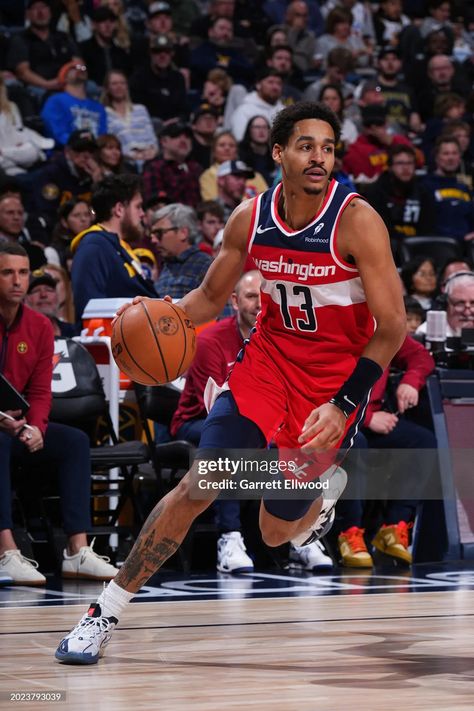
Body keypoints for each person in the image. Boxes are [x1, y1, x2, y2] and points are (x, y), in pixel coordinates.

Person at [55, 101, 406, 664]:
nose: (318, 157)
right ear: (278, 152)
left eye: (327, 147)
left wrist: (344, 405)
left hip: (330, 389)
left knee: (272, 533)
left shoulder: (357, 220)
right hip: (263, 369)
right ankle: (105, 611)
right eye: (305, 145)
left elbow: (392, 327)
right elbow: (207, 300)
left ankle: (318, 495)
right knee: (201, 483)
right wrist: (155, 318)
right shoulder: (251, 217)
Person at [171, 270, 333, 572]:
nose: (260, 303)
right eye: (250, 296)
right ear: (233, 301)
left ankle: (301, 535)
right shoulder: (210, 340)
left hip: (267, 421)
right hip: (199, 419)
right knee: (237, 444)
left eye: (265, 296)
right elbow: (221, 406)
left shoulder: (287, 341)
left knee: (308, 443)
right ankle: (229, 537)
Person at [0, 243, 118, 584]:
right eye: (8, 273)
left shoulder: (38, 326)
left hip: (18, 425)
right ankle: (6, 551)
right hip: (1, 430)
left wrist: (35, 427)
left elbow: (39, 391)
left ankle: (76, 552)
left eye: (23, 272)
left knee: (74, 442)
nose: (17, 281)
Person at [336, 334, 436, 567]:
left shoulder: (383, 325)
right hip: (338, 419)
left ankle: (393, 529)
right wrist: (367, 418)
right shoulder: (335, 326)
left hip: (372, 420)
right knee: (355, 442)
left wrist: (411, 380)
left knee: (421, 441)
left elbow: (420, 356)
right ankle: (350, 533)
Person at [70, 174, 158, 321]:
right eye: (138, 206)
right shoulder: (94, 246)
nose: (142, 214)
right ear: (119, 209)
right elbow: (90, 309)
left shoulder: (117, 247)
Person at [150, 203, 213, 298]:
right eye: (152, 234)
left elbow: (224, 309)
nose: (153, 240)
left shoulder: (207, 265)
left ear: (183, 233)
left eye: (159, 233)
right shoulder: (163, 266)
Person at [40, 61, 108, 146]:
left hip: (94, 153)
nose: (80, 69)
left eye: (83, 68)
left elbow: (103, 135)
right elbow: (55, 132)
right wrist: (77, 144)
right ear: (64, 77)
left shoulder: (98, 107)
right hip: (68, 151)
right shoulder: (55, 101)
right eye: (74, 68)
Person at [101, 70, 158, 166]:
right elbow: (107, 143)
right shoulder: (103, 113)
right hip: (123, 161)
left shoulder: (141, 109)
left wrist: (152, 151)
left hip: (149, 158)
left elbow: (152, 139)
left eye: (122, 83)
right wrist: (131, 155)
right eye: (114, 84)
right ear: (107, 88)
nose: (119, 86)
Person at [142, 121, 202, 207]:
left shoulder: (196, 168)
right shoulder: (154, 167)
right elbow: (155, 204)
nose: (183, 140)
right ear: (163, 141)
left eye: (187, 137)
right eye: (176, 135)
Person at [25, 268, 78, 337]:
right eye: (36, 291)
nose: (43, 294)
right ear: (25, 299)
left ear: (56, 295)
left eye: (48, 290)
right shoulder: (19, 334)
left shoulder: (73, 332)